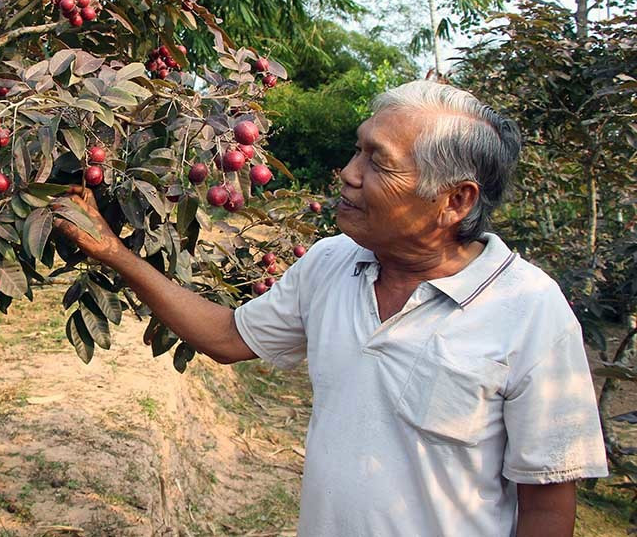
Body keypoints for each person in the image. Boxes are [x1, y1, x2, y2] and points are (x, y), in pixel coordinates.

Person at [52, 80, 608, 536]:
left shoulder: (529, 310)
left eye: (378, 161)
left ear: (455, 200)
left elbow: (547, 505)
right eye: (357, 148)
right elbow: (227, 337)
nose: (348, 172)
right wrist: (115, 254)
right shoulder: (332, 264)